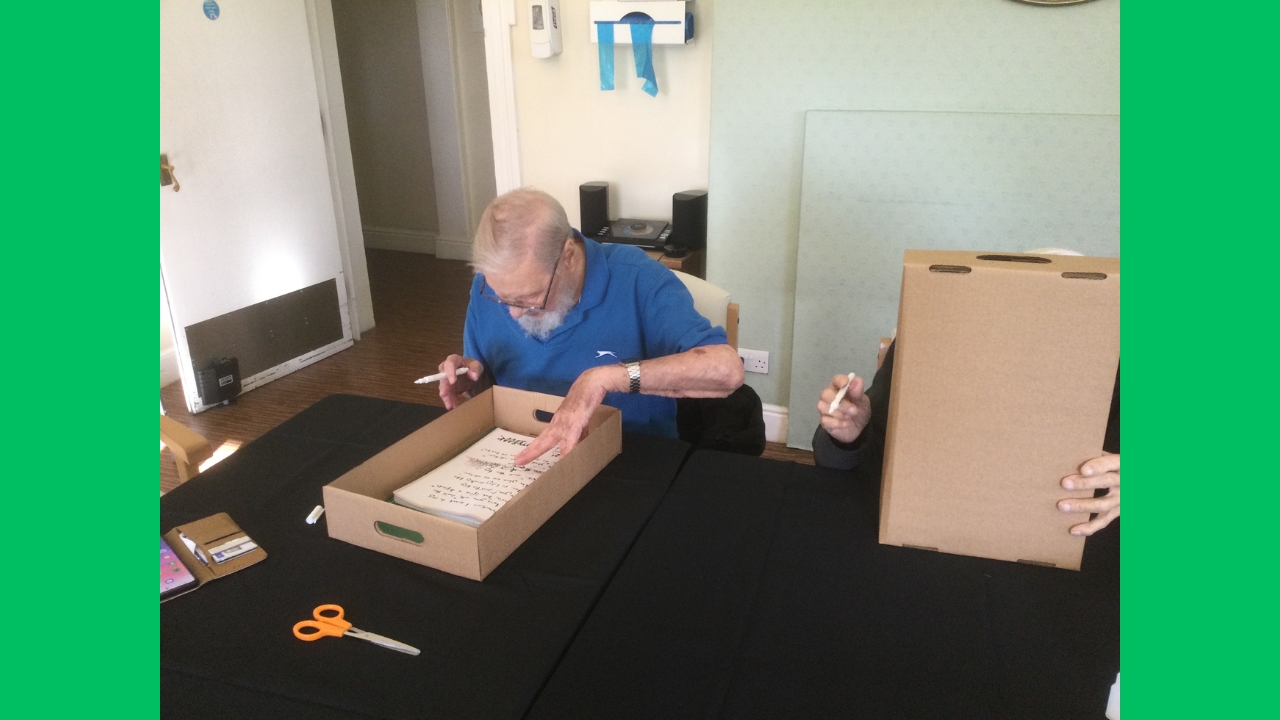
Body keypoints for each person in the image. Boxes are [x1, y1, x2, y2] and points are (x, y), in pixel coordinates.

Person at [437, 188, 744, 466]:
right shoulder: (489, 289)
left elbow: (726, 369)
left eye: (530, 297)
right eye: (503, 298)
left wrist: (604, 378)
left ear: (568, 256)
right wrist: (470, 383)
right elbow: (489, 388)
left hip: (629, 456)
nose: (514, 314)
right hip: (522, 454)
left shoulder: (639, 278)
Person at [813, 340, 1120, 537]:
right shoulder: (924, 345)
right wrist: (849, 439)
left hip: (1064, 539)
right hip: (923, 531)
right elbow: (845, 463)